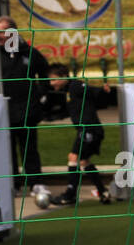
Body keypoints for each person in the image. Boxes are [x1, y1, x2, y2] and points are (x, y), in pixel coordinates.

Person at [42, 64, 113, 205]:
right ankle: (103, 192)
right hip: (88, 130)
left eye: (54, 80)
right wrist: (50, 117)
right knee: (83, 161)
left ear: (63, 77)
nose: (51, 84)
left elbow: (90, 90)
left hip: (89, 130)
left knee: (73, 157)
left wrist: (103, 91)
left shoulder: (75, 86)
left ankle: (70, 194)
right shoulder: (68, 91)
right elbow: (70, 111)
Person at [0, 16, 50, 196]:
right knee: (7, 149)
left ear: (13, 32)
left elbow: (45, 74)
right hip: (3, 112)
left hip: (27, 110)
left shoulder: (29, 53)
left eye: (2, 31)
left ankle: (35, 183)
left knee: (29, 148)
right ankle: (13, 184)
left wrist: (40, 97)